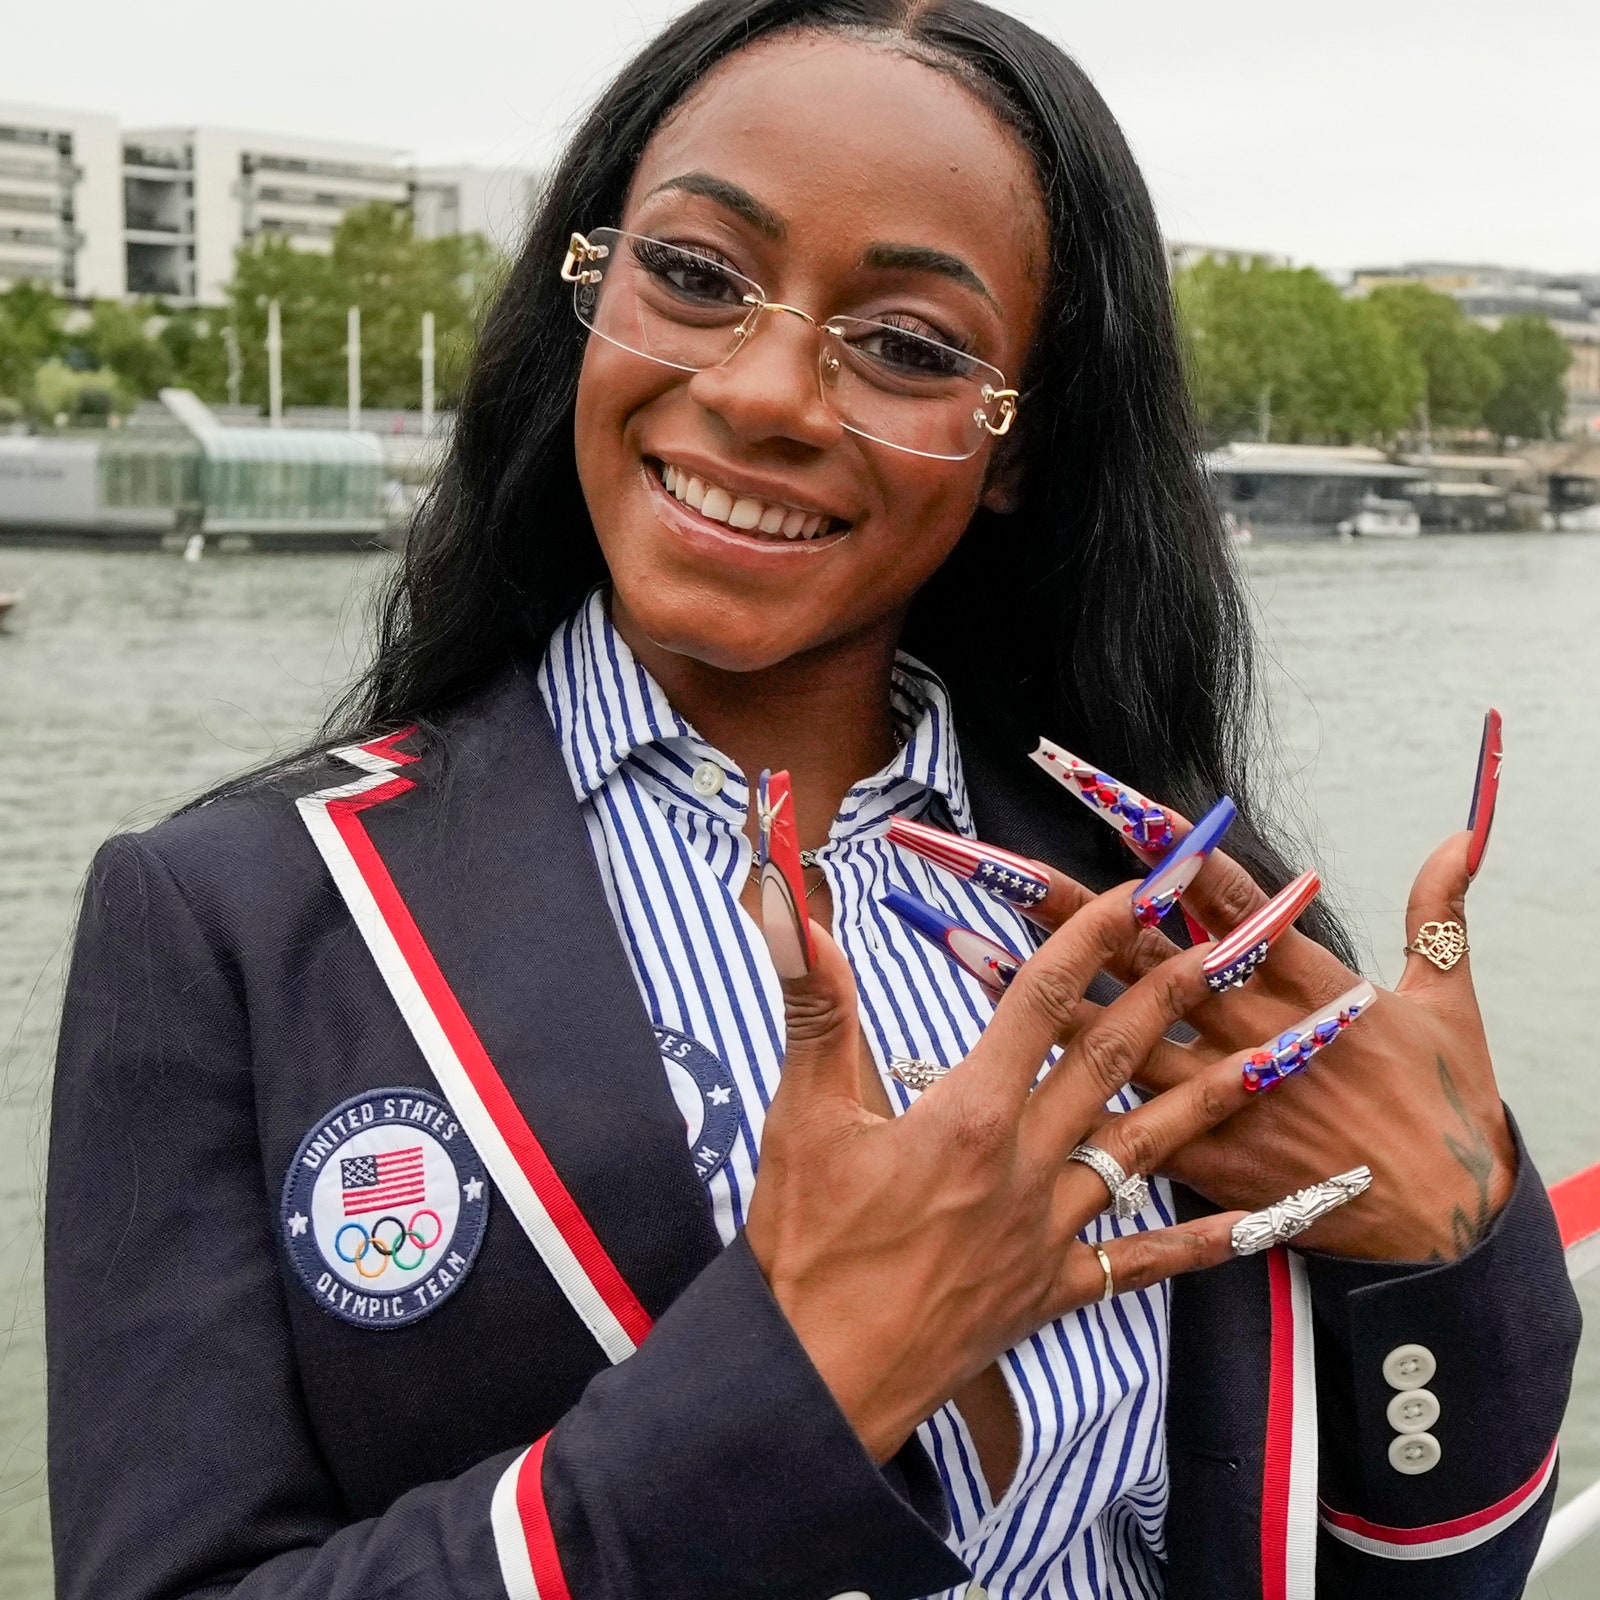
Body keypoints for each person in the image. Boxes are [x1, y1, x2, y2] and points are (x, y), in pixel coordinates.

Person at [46, 3, 1578, 1598]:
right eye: (695, 276)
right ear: (592, 288)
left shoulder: (1160, 902)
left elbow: (1416, 1566)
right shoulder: (245, 917)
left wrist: (1455, 1250)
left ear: (1015, 452)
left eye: (911, 346)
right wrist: (803, 1383)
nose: (769, 389)